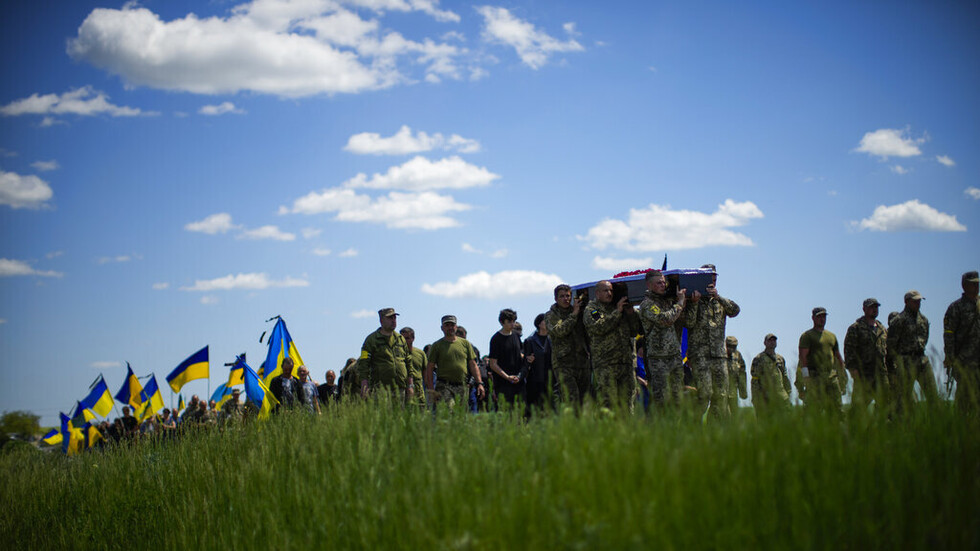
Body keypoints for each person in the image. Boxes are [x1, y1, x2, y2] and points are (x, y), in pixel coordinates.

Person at [684, 265, 740, 420]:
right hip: (700, 354)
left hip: (719, 355)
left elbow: (735, 310)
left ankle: (713, 428)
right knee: (705, 393)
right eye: (709, 279)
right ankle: (691, 423)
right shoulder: (693, 300)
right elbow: (688, 323)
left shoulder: (720, 301)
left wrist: (718, 297)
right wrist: (694, 303)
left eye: (714, 280)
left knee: (721, 395)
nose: (712, 283)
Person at [584, 280, 640, 412]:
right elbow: (600, 326)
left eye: (611, 291)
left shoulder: (618, 306)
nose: (609, 293)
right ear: (597, 293)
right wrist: (617, 312)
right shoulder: (592, 310)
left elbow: (634, 331)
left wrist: (630, 313)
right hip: (606, 364)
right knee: (608, 401)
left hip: (625, 362)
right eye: (605, 291)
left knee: (627, 401)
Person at [638, 270, 687, 411]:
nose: (663, 285)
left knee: (678, 399)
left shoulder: (668, 302)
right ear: (649, 285)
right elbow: (665, 319)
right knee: (662, 400)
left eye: (664, 282)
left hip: (674, 356)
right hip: (658, 358)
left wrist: (684, 302)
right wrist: (680, 303)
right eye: (658, 283)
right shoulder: (647, 304)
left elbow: (681, 320)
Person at [888, 290, 939, 411]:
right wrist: (893, 367)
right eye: (915, 301)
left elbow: (925, 338)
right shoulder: (899, 320)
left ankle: (936, 420)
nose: (918, 304)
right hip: (905, 362)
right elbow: (891, 345)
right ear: (906, 302)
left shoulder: (924, 320)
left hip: (922, 360)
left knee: (933, 396)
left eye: (919, 301)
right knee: (903, 399)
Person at [545, 284, 592, 410]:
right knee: (571, 399)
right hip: (563, 364)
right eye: (562, 296)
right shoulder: (551, 315)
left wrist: (588, 308)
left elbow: (592, 326)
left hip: (582, 362)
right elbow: (559, 331)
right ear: (556, 299)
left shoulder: (578, 311)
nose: (565, 299)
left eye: (568, 296)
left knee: (585, 400)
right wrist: (574, 314)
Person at [426, 315, 485, 409]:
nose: (450, 327)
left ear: (456, 327)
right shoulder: (437, 345)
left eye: (452, 325)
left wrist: (479, 383)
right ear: (442, 328)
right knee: (448, 410)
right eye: (447, 325)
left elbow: (473, 365)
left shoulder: (465, 344)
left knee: (461, 413)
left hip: (462, 386)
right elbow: (429, 368)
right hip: (444, 386)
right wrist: (431, 390)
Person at [358, 308, 413, 405]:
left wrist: (410, 385)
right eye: (390, 318)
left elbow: (408, 362)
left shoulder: (400, 339)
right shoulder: (371, 340)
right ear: (381, 320)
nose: (393, 320)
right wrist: (364, 384)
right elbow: (364, 364)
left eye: (394, 318)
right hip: (381, 390)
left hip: (400, 390)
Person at [844, 298, 890, 415]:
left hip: (881, 373)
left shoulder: (882, 329)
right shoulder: (856, 328)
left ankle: (876, 425)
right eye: (871, 307)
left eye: (876, 307)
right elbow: (849, 350)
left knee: (885, 406)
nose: (874, 309)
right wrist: (852, 369)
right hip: (864, 375)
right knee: (858, 409)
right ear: (864, 309)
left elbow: (887, 351)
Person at [798, 307, 847, 416]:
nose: (822, 319)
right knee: (812, 411)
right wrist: (806, 377)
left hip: (831, 377)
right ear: (813, 318)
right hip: (815, 378)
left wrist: (842, 376)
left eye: (824, 316)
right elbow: (803, 357)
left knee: (837, 410)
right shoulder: (807, 336)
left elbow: (838, 356)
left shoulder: (831, 336)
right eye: (819, 316)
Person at [944, 271, 980, 412]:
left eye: (977, 283)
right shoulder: (956, 308)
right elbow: (949, 335)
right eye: (973, 284)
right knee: (964, 399)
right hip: (965, 361)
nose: (976, 286)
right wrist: (950, 358)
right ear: (964, 285)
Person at [489, 308, 524, 410]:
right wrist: (507, 377)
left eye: (514, 321)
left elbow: (519, 354)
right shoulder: (496, 339)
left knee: (520, 412)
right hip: (503, 384)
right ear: (502, 322)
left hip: (518, 381)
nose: (512, 324)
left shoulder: (516, 336)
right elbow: (493, 364)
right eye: (509, 322)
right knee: (505, 412)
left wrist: (527, 358)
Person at [750, 334, 791, 416]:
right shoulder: (759, 358)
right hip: (765, 398)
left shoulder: (780, 359)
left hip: (781, 397)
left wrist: (788, 393)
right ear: (765, 343)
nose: (772, 342)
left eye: (774, 340)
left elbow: (785, 376)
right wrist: (755, 398)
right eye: (770, 340)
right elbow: (755, 379)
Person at [522, 313, 553, 418]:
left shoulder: (553, 339)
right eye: (546, 320)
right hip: (534, 381)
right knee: (534, 411)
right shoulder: (530, 341)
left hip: (551, 381)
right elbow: (526, 363)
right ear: (539, 324)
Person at [401, 327, 428, 409]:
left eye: (407, 338)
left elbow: (425, 373)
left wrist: (429, 390)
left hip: (418, 390)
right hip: (402, 389)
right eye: (402, 338)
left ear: (413, 338)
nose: (404, 341)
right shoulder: (397, 354)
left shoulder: (420, 353)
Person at [726, 336, 748, 414]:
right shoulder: (719, 355)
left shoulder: (737, 355)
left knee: (734, 414)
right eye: (729, 346)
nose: (731, 349)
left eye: (734, 346)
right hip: (720, 392)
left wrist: (743, 391)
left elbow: (742, 373)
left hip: (733, 392)